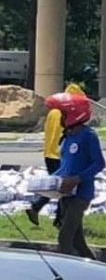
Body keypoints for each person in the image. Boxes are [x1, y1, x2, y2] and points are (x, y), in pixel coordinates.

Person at [53, 94, 105, 259]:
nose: (60, 118)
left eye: (63, 114)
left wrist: (78, 179)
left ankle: (68, 271)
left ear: (74, 114)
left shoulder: (88, 136)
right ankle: (96, 269)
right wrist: (50, 180)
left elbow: (99, 163)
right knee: (78, 241)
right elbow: (65, 165)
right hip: (66, 194)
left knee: (65, 237)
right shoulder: (68, 136)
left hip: (81, 195)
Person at [25, 93, 65, 227]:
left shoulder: (52, 113)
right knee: (62, 187)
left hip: (49, 153)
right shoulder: (62, 115)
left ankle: (38, 208)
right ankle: (59, 218)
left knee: (57, 185)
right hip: (57, 154)